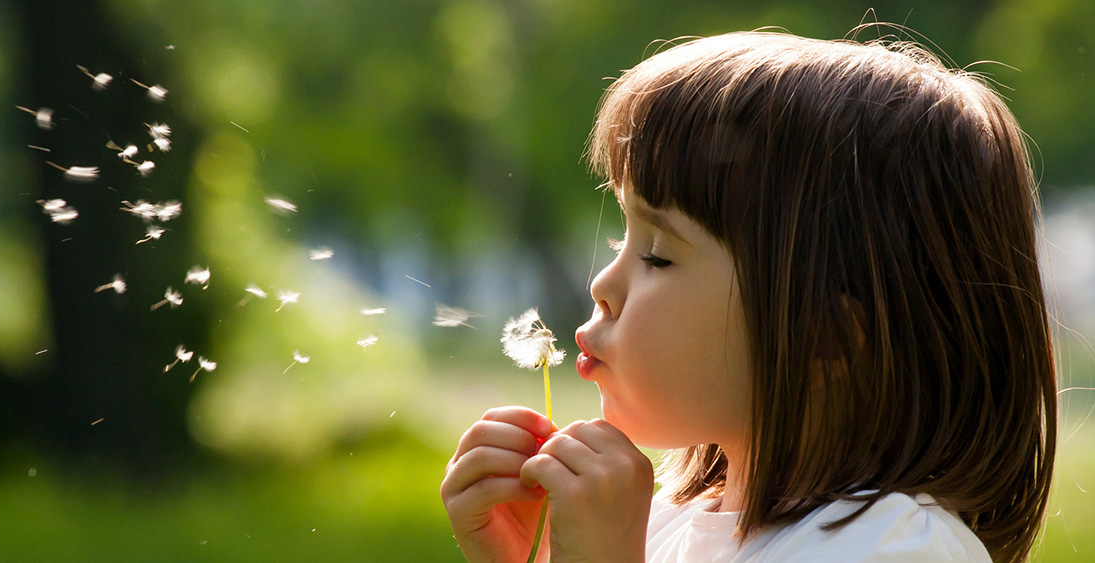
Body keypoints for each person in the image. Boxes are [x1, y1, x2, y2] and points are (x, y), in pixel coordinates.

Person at [440, 30, 1056, 563]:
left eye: (658, 255)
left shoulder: (897, 548)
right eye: (622, 236)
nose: (602, 285)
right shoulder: (661, 525)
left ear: (825, 336)